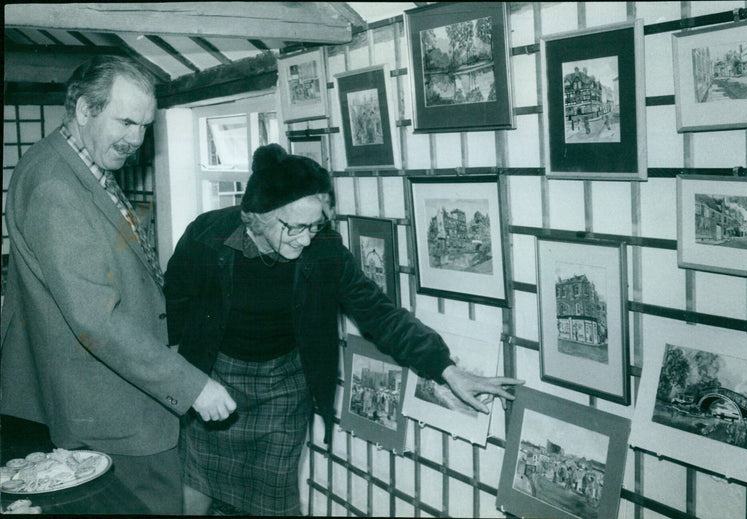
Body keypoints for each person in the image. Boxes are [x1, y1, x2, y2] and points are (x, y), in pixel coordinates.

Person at [165, 144, 524, 516]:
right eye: (296, 227)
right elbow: (173, 299)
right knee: (197, 483)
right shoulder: (208, 235)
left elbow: (379, 313)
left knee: (274, 503)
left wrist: (445, 368)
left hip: (283, 388)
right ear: (258, 217)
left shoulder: (324, 249)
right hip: (215, 374)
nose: (306, 239)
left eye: (315, 225)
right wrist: (182, 374)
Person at [0, 55, 237, 515]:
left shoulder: (75, 165)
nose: (136, 139)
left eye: (145, 125)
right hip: (110, 411)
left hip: (108, 399)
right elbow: (96, 319)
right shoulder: (57, 187)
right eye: (126, 121)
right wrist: (191, 386)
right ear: (85, 109)